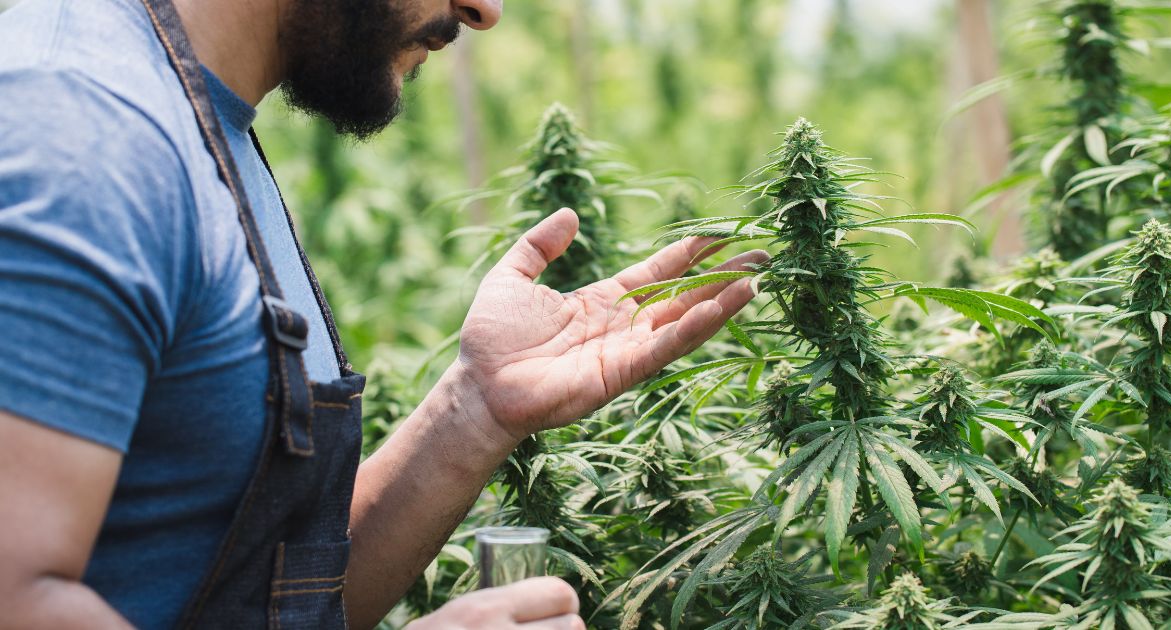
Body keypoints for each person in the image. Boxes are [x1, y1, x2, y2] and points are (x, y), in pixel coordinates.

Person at [0, 0, 767, 628]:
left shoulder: (200, 115)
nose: (484, 11)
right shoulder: (82, 131)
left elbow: (265, 592)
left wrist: (475, 411)